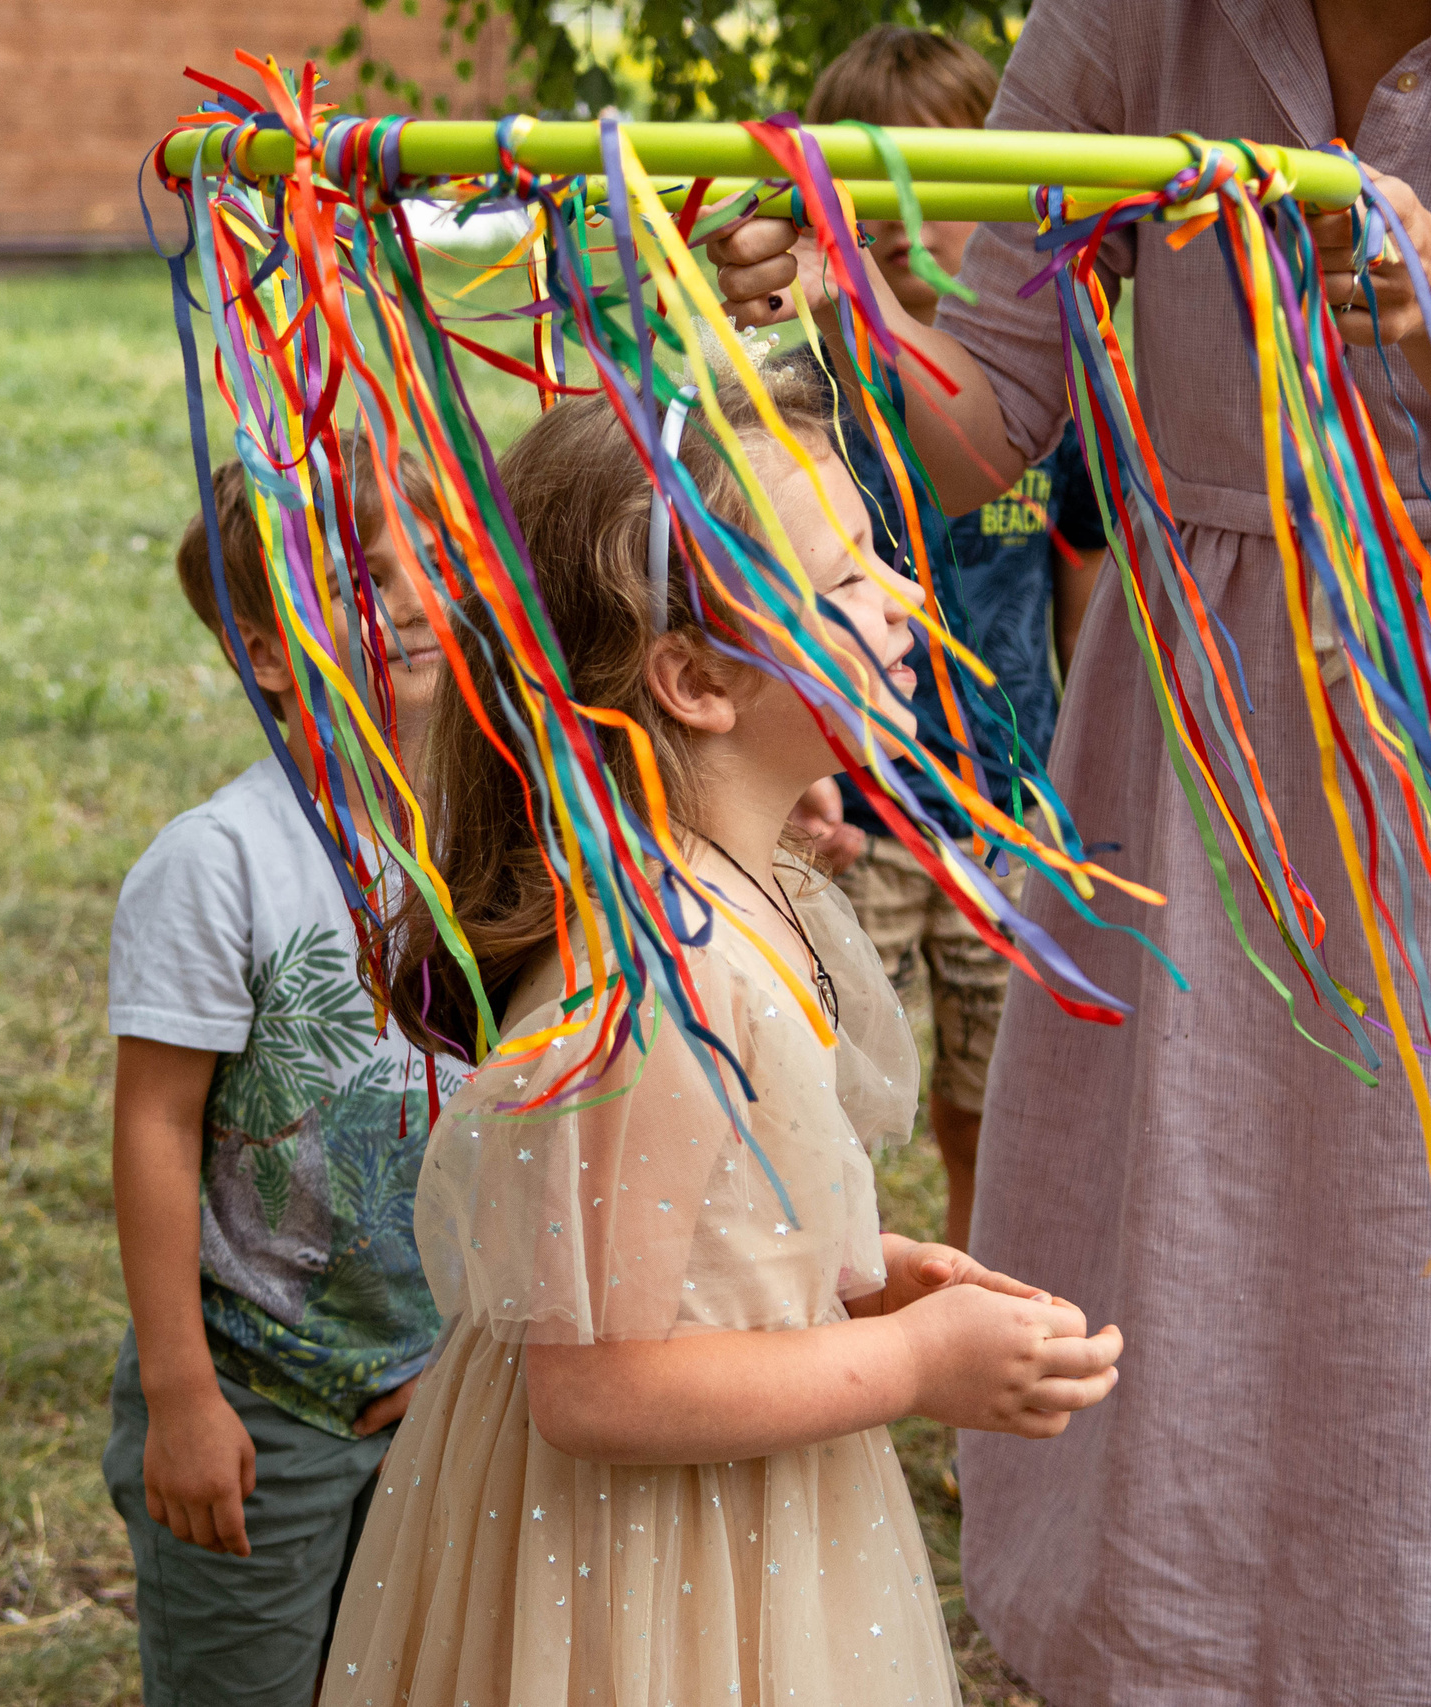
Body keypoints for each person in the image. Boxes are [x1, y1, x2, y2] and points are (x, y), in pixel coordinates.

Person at [710, 2, 1431, 1698]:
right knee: (1219, 1251)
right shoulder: (1125, 22)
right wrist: (845, 305)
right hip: (1215, 761)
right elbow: (980, 430)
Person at [319, 372, 1123, 1706]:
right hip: (643, 1570)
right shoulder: (664, 982)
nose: (909, 594)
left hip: (731, 1514)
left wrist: (853, 1276)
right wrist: (913, 1364)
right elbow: (600, 1388)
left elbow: (698, 1224)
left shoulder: (738, 893)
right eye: (849, 573)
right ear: (694, 679)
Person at [104, 443, 459, 1706]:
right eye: (369, 577)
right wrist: (182, 1397)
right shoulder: (219, 863)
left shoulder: (504, 833)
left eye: (432, 560)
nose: (414, 598)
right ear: (266, 649)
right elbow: (153, 1126)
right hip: (261, 1406)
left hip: (441, 1392)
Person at [784, 25, 1110, 1252]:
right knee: (827, 1101)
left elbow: (1076, 564)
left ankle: (971, 1305)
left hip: (1003, 814)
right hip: (850, 821)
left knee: (990, 1103)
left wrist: (1073, 769)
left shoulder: (1057, 391)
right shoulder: (801, 389)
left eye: (952, 188)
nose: (914, 228)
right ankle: (835, 1312)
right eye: (878, 196)